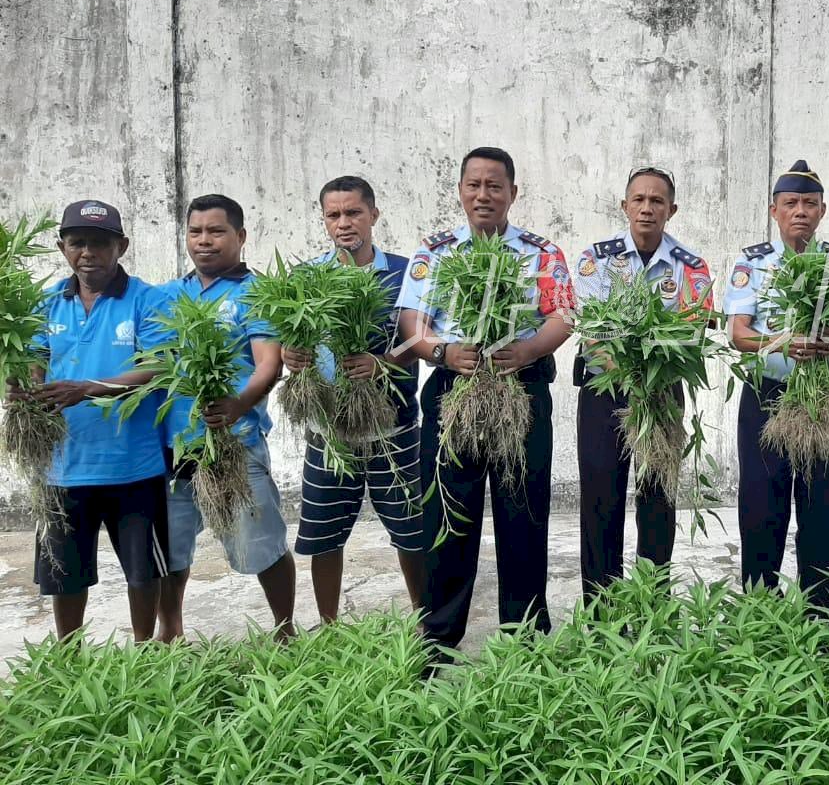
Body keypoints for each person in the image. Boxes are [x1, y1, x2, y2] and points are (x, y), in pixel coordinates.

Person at [396, 147, 574, 651]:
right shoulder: (435, 252)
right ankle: (438, 638)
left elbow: (562, 315)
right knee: (448, 514)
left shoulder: (541, 253)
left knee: (523, 511)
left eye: (494, 186)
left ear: (512, 193)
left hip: (521, 390)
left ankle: (525, 639)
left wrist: (529, 350)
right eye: (473, 185)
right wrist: (444, 352)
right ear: (459, 191)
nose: (483, 195)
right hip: (455, 390)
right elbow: (413, 321)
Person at [20, 200, 170, 640]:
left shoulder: (147, 299)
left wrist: (87, 388)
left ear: (120, 246)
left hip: (134, 465)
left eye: (100, 243)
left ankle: (145, 651)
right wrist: (23, 389)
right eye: (77, 242)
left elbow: (159, 366)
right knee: (64, 575)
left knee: (143, 574)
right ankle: (69, 656)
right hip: (62, 466)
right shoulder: (44, 304)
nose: (88, 252)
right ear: (62, 247)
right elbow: (33, 363)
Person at [281, 176, 425, 623]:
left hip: (395, 429)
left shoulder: (404, 273)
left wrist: (381, 362)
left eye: (354, 213)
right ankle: (329, 626)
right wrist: (290, 354)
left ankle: (426, 622)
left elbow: (421, 340)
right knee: (324, 537)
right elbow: (294, 338)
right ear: (324, 221)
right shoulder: (308, 278)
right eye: (334, 215)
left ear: (374, 215)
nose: (344, 223)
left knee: (412, 533)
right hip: (330, 433)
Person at [724, 160, 829, 611]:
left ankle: (820, 615)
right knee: (762, 511)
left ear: (823, 210)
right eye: (790, 203)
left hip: (822, 397)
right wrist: (784, 342)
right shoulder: (754, 263)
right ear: (774, 210)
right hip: (767, 398)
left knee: (820, 510)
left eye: (809, 203)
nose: (800, 211)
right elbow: (739, 334)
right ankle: (760, 613)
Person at [155, 194, 294, 640]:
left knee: (262, 541)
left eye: (216, 231)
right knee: (171, 548)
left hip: (235, 441)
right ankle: (170, 633)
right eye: (196, 232)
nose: (204, 241)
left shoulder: (255, 293)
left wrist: (238, 404)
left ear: (240, 237)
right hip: (175, 445)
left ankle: (285, 628)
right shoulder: (170, 295)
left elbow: (268, 364)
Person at [572, 165, 713, 602]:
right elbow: (592, 331)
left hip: (660, 394)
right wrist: (629, 373)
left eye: (657, 201)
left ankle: (653, 606)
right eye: (639, 200)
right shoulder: (597, 259)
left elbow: (692, 332)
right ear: (625, 206)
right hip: (605, 394)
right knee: (601, 503)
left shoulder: (691, 267)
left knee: (657, 503)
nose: (647, 208)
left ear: (672, 209)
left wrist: (648, 379)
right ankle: (600, 612)